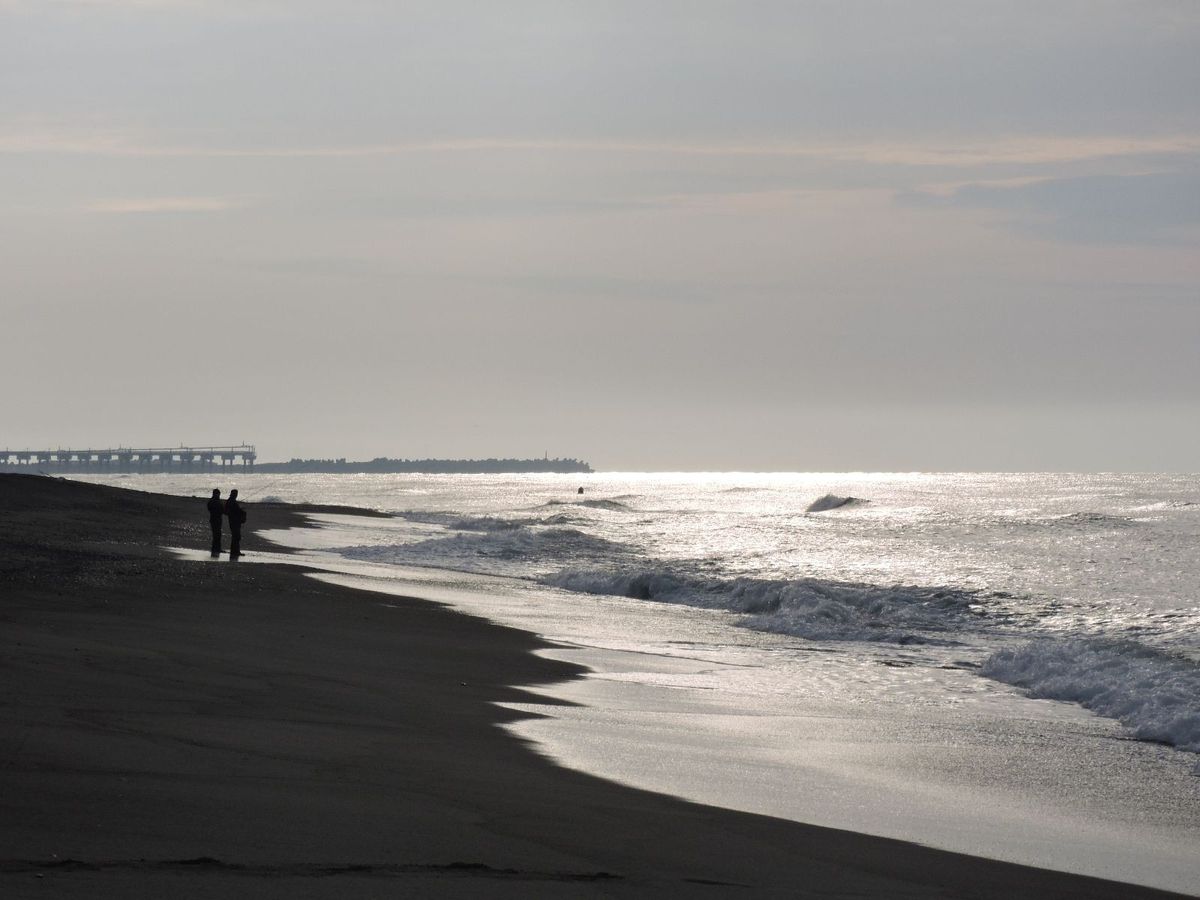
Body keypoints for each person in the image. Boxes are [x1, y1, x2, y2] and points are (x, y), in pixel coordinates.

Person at [224, 489, 245, 559]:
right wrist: (241, 510)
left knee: (235, 537)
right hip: (234, 521)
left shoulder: (230, 501)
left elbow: (228, 511)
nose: (236, 495)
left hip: (233, 521)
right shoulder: (232, 501)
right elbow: (235, 511)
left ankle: (235, 551)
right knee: (236, 536)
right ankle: (235, 551)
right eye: (236, 494)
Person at [206, 488, 224, 556]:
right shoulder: (214, 501)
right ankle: (216, 548)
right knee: (217, 535)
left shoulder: (212, 501)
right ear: (216, 494)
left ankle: (216, 548)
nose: (219, 495)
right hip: (215, 520)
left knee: (217, 535)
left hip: (215, 520)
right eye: (218, 494)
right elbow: (220, 509)